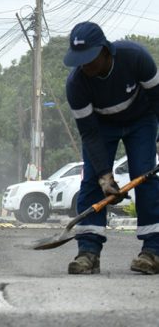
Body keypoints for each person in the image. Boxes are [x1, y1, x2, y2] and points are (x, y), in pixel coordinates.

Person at [63, 21, 159, 275]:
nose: (85, 65)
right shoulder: (76, 85)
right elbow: (89, 133)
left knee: (144, 176)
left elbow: (158, 98)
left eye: (90, 58)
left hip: (142, 120)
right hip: (101, 127)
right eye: (80, 59)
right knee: (92, 183)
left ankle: (153, 251)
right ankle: (88, 252)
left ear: (106, 51)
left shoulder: (136, 58)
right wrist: (105, 176)